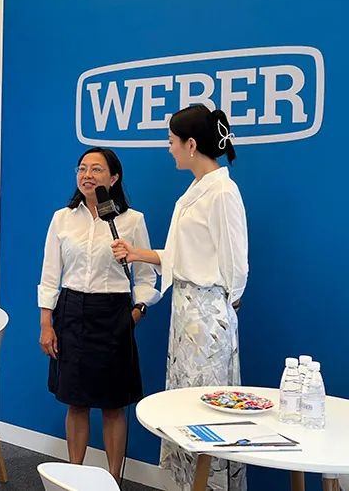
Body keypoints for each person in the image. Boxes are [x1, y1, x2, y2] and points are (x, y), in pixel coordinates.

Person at [111, 105, 249, 491]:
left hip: (207, 315)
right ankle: (192, 484)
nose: (168, 148)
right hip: (187, 312)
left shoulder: (222, 192)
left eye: (171, 141)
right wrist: (136, 254)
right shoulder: (195, 190)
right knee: (186, 401)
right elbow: (181, 256)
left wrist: (224, 306)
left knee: (208, 403)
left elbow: (236, 264)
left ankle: (211, 484)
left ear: (191, 144)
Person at [38, 147, 160, 479]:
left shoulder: (131, 220)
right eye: (82, 169)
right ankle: (74, 476)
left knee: (112, 404)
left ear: (114, 178)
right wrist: (46, 323)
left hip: (113, 313)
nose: (87, 175)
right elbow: (49, 276)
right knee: (75, 401)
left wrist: (137, 311)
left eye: (96, 169)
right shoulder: (62, 218)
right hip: (71, 311)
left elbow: (147, 277)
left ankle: (113, 479)